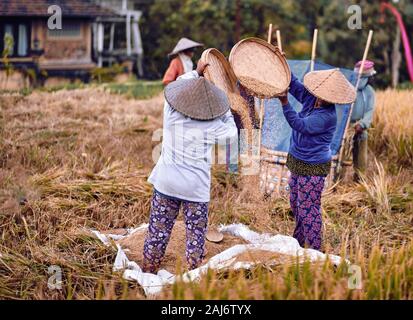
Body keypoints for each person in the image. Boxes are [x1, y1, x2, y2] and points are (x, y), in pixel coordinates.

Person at [142, 61, 238, 273]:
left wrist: (196, 71)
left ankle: (149, 268)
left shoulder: (171, 115)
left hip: (167, 183)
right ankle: (194, 272)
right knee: (195, 234)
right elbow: (232, 134)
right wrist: (225, 110)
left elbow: (176, 83)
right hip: (195, 189)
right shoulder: (213, 125)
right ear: (209, 106)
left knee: (158, 230)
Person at [277, 69, 356, 250]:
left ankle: (314, 249)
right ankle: (298, 241)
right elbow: (295, 86)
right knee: (295, 202)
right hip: (298, 159)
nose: (317, 95)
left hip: (313, 166)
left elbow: (300, 124)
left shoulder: (326, 116)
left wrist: (285, 103)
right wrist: (282, 65)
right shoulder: (313, 99)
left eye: (321, 94)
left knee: (308, 209)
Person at [350, 60, 376, 181]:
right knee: (341, 155)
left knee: (360, 157)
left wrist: (362, 124)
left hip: (360, 127)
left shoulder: (369, 91)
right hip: (346, 128)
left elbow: (369, 111)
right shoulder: (350, 88)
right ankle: (337, 179)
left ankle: (359, 180)